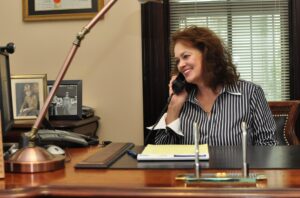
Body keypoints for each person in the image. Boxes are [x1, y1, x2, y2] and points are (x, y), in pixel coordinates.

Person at [154, 26, 277, 146]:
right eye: (177, 61)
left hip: (237, 167)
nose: (180, 65)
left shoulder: (251, 93)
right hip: (193, 167)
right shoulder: (181, 99)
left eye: (185, 56)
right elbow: (163, 153)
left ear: (207, 53)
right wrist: (174, 106)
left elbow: (268, 145)